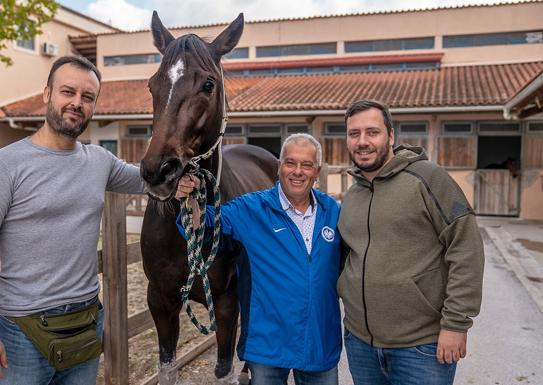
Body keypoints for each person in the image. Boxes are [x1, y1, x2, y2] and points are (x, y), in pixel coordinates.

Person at [0, 55, 145, 384]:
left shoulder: (100, 161)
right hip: (23, 332)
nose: (77, 103)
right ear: (47, 94)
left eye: (87, 97)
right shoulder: (4, 165)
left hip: (86, 322)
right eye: (67, 92)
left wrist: (186, 176)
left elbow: (150, 179)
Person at [337, 99, 485, 384]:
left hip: (421, 348)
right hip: (360, 344)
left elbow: (466, 248)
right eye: (354, 134)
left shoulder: (428, 178)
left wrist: (456, 324)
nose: (362, 141)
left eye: (372, 132)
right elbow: (347, 256)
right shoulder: (353, 195)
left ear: (391, 136)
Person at [175, 133, 342, 385]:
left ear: (317, 171)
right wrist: (190, 199)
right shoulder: (251, 209)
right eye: (290, 163)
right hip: (268, 346)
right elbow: (206, 224)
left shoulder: (335, 213)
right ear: (279, 167)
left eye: (306, 165)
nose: (297, 172)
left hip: (319, 344)